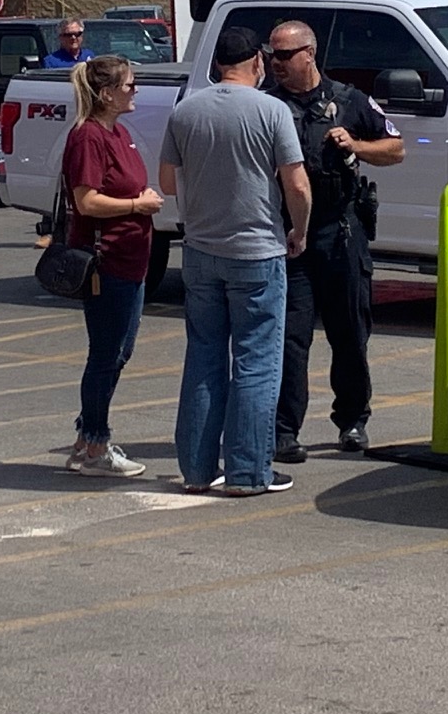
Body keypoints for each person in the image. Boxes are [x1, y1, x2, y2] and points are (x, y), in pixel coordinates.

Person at [159, 26, 310, 496]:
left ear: (217, 64)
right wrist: (298, 231)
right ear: (258, 62)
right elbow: (297, 184)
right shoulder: (272, 110)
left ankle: (197, 470)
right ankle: (248, 472)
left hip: (201, 251)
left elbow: (167, 182)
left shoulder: (186, 111)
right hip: (257, 251)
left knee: (204, 358)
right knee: (256, 361)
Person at [264, 18, 403, 460]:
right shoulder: (268, 106)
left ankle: (353, 421)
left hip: (341, 231)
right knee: (291, 336)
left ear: (309, 53)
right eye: (271, 56)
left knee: (349, 331)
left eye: (284, 55)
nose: (276, 64)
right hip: (290, 234)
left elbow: (396, 148)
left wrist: (356, 145)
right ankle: (285, 430)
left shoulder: (348, 100)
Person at [61, 54, 164, 478]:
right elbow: (86, 201)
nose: (134, 91)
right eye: (129, 86)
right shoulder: (89, 137)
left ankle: (87, 438)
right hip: (108, 263)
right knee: (106, 355)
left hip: (132, 259)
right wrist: (138, 204)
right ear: (106, 94)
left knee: (118, 352)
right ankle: (96, 445)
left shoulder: (117, 132)